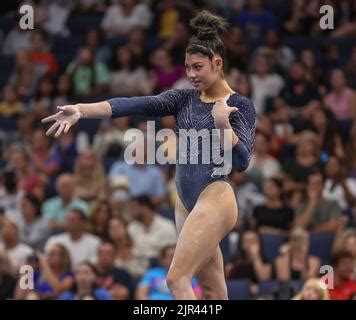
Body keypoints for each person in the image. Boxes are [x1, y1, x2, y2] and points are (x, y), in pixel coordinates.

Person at [41, 10, 256, 300]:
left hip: (215, 196)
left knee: (177, 279)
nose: (190, 75)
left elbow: (242, 163)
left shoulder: (239, 105)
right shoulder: (183, 99)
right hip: (185, 201)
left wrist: (222, 125)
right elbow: (132, 104)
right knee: (213, 290)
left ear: (217, 64)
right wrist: (82, 110)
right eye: (187, 68)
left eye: (197, 67)